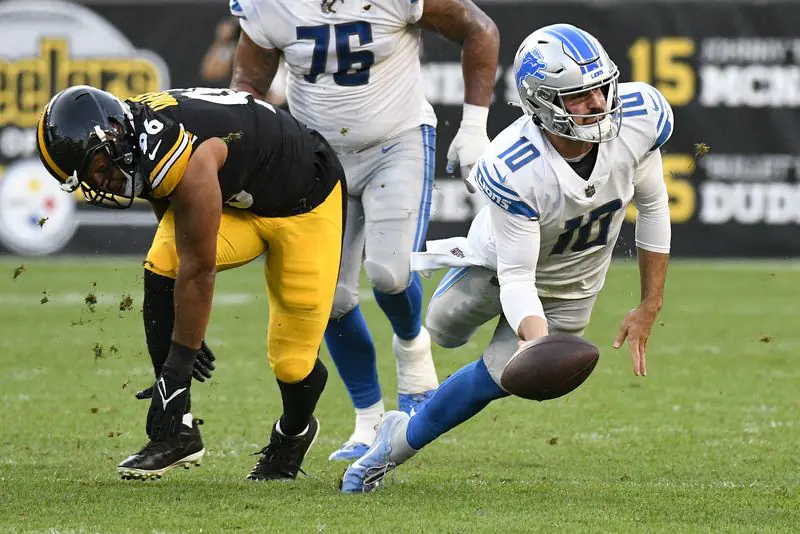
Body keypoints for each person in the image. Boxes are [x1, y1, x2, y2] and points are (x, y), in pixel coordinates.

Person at [340, 23, 674, 493]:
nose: (599, 104)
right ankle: (453, 286)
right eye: (579, 96)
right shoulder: (515, 165)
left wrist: (650, 303)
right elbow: (518, 276)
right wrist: (536, 341)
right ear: (542, 101)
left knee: (497, 378)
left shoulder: (639, 119)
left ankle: (393, 445)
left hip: (572, 283)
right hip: (497, 265)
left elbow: (654, 207)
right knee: (443, 329)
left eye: (601, 88)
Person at [228, 0, 501, 461]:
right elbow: (248, 85)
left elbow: (480, 29)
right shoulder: (271, 5)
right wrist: (250, 151)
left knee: (390, 274)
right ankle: (368, 420)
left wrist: (474, 126)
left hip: (396, 141)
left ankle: (413, 351)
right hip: (314, 155)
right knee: (329, 299)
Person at [35, 84, 346, 481]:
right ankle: (176, 433)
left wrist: (180, 362)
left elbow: (199, 271)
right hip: (237, 198)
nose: (100, 182)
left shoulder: (181, 153)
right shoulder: (134, 137)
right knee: (163, 262)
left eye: (97, 167)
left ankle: (293, 434)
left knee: (293, 362)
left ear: (111, 136)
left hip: (305, 203)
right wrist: (185, 329)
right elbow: (169, 210)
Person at [200, 16, 288, 107]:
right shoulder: (235, 48)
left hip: (272, 107)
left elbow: (278, 98)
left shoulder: (275, 53)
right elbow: (210, 73)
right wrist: (222, 42)